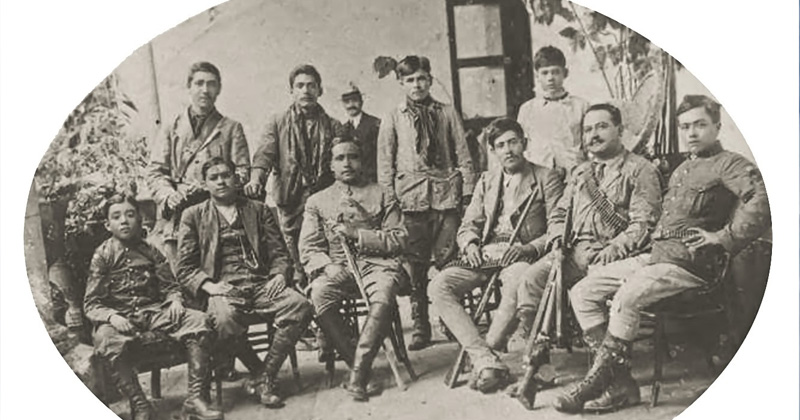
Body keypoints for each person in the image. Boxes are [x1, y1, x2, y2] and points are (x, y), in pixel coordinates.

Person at [557, 95, 771, 414]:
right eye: (685, 127)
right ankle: (621, 385)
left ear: (717, 126)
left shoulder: (730, 164)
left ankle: (596, 382)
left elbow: (763, 198)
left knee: (627, 296)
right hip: (658, 257)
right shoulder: (683, 168)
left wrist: (723, 238)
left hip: (690, 263)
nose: (691, 133)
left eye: (700, 125)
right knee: (583, 291)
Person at [428, 118, 564, 393]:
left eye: (513, 142)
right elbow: (469, 224)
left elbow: (557, 227)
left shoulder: (546, 177)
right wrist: (470, 244)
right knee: (439, 285)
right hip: (486, 253)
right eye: (501, 145)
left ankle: (487, 356)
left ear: (524, 143)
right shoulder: (486, 180)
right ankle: (486, 359)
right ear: (493, 150)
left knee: (518, 279)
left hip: (522, 253)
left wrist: (529, 248)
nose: (508, 149)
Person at [515, 102, 662, 347]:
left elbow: (644, 224)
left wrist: (614, 249)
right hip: (574, 253)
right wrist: (557, 238)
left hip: (615, 255)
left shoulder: (640, 170)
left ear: (620, 130)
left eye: (602, 127)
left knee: (585, 290)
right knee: (532, 279)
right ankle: (538, 349)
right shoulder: (581, 172)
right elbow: (560, 212)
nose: (593, 135)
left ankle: (606, 357)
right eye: (588, 130)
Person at [177, 157, 314, 408]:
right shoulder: (193, 215)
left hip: (261, 284)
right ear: (205, 184)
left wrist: (279, 274)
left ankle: (265, 376)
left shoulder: (258, 210)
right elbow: (184, 268)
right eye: (214, 177)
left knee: (300, 305)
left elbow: (279, 253)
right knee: (224, 321)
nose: (221, 181)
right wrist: (209, 286)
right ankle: (262, 374)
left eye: (226, 175)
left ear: (236, 178)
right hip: (223, 288)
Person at [84, 195, 222, 420]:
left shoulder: (151, 251)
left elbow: (170, 285)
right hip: (121, 319)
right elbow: (91, 303)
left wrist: (175, 300)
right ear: (108, 225)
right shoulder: (103, 255)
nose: (124, 221)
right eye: (117, 217)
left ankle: (195, 400)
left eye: (130, 215)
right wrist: (112, 316)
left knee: (198, 320)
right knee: (106, 340)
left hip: (154, 313)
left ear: (139, 220)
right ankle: (141, 405)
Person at [377, 55, 477, 350]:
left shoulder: (446, 112)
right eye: (410, 80)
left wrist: (467, 193)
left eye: (421, 78)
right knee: (416, 265)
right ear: (401, 83)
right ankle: (421, 323)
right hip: (410, 200)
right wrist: (390, 201)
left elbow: (463, 154)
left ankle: (451, 319)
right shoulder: (393, 116)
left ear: (430, 80)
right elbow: (385, 163)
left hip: (446, 198)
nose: (417, 85)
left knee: (448, 260)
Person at [299, 137, 409, 401]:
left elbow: (399, 238)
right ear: (330, 165)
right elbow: (309, 247)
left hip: (379, 265)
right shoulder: (317, 201)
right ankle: (356, 363)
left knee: (384, 292)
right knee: (318, 294)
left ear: (362, 161)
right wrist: (327, 266)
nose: (347, 163)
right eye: (340, 158)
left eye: (353, 157)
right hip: (339, 267)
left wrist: (357, 234)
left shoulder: (383, 193)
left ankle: (358, 376)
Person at [244, 64, 345, 289]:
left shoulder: (334, 126)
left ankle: (321, 293)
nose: (305, 90)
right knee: (293, 253)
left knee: (322, 249)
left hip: (323, 199)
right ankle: (299, 293)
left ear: (320, 90)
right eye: (300, 86)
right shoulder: (277, 122)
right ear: (291, 90)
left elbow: (341, 161)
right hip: (291, 198)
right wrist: (256, 179)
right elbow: (264, 155)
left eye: (311, 85)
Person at [147, 61, 250, 271]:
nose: (205, 90)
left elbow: (242, 172)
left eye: (211, 84)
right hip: (178, 214)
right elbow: (155, 171)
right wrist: (169, 196)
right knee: (179, 272)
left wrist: (214, 187)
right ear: (189, 87)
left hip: (217, 213)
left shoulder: (231, 128)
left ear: (219, 89)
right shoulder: (171, 127)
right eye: (199, 83)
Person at [516, 46, 589, 173]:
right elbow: (522, 146)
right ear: (537, 75)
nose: (550, 78)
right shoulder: (527, 109)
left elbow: (589, 145)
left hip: (574, 171)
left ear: (565, 73)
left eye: (555, 72)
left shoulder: (581, 106)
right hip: (539, 173)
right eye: (544, 73)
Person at [341, 82, 381, 183]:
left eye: (354, 100)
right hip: (353, 180)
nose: (351, 105)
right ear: (343, 105)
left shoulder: (375, 124)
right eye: (347, 101)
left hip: (373, 179)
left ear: (361, 102)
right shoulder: (343, 129)